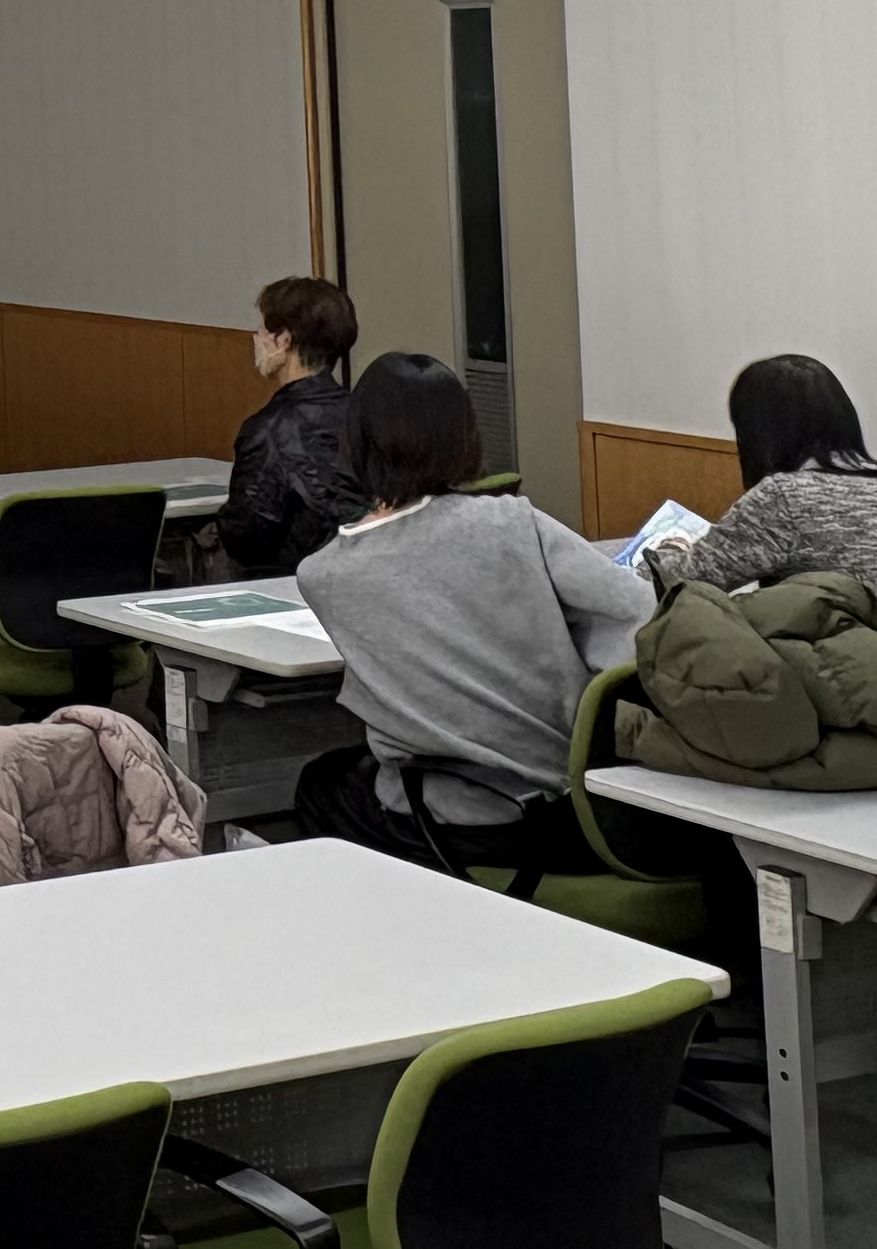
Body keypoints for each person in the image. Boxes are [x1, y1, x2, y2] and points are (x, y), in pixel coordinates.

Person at [292, 354, 649, 872]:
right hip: (577, 813)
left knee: (323, 784)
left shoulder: (324, 575)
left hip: (460, 819)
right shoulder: (514, 521)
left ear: (358, 441)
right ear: (464, 437)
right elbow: (640, 620)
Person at [641, 355, 877, 615]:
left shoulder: (783, 497)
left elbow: (676, 583)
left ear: (758, 434)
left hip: (841, 665)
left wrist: (672, 547)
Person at [215, 275, 367, 576]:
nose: (258, 337)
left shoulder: (266, 430)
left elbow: (248, 538)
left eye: (264, 329)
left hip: (292, 580)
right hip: (366, 572)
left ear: (284, 340)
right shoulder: (364, 414)